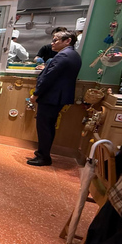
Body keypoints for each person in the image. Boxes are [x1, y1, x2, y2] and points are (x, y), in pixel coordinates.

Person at [28, 29, 82, 166]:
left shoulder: (63, 56)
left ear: (68, 41)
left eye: (56, 40)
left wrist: (36, 94)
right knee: (49, 126)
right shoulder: (74, 55)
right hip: (58, 97)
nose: (52, 43)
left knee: (44, 127)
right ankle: (43, 153)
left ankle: (43, 157)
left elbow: (49, 78)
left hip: (52, 97)